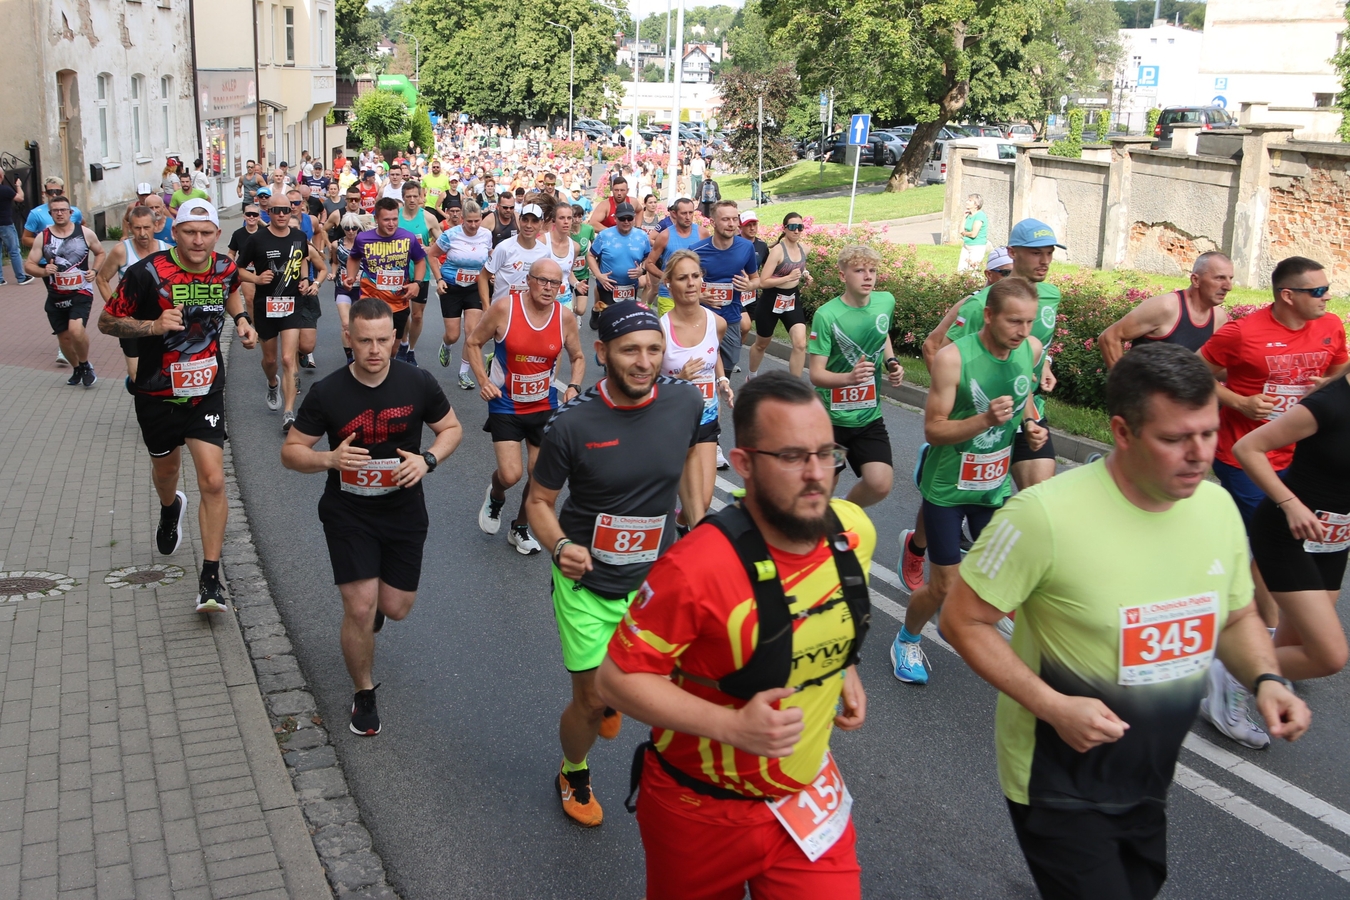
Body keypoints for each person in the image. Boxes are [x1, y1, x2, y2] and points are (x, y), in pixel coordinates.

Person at [944, 342, 1310, 900]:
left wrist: (1266, 679)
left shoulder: (1216, 509)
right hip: (1058, 778)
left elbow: (1236, 617)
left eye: (1208, 434)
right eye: (1175, 439)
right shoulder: (1043, 516)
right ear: (1121, 432)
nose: (1199, 455)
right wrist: (1053, 706)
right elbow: (962, 620)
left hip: (1149, 775)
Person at [596, 372, 872, 899]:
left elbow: (833, 605)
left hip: (806, 806)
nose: (817, 475)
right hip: (700, 810)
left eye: (825, 453)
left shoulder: (853, 531)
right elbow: (616, 680)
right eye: (791, 457)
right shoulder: (695, 568)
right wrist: (733, 727)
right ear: (743, 463)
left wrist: (842, 664)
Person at [525, 303, 705, 827]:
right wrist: (560, 546)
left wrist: (699, 529)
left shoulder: (685, 401)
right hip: (588, 583)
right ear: (602, 352)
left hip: (656, 585)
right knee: (590, 700)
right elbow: (538, 502)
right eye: (630, 350)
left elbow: (692, 459)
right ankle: (572, 772)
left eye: (654, 350)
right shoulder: (571, 423)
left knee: (684, 685)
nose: (644, 362)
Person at [282, 297, 463, 736]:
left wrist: (428, 460)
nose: (375, 350)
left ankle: (375, 612)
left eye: (383, 340)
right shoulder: (328, 392)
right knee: (360, 607)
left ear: (396, 338)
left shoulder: (418, 382)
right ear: (349, 338)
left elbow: (451, 429)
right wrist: (328, 459)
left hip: (403, 510)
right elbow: (291, 452)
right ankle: (363, 691)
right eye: (365, 341)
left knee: (395, 608)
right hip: (349, 511)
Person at [1196, 255, 1349, 748]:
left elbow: (1337, 366)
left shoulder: (1330, 330)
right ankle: (1234, 666)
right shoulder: (1244, 333)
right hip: (1255, 469)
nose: (1326, 298)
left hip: (1329, 527)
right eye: (1317, 290)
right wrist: (1240, 402)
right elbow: (1197, 371)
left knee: (1298, 636)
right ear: (1288, 294)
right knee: (1326, 651)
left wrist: (1324, 383)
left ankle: (1256, 667)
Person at [98, 199, 259, 612]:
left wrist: (242, 320)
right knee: (166, 471)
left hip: (206, 391)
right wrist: (152, 326)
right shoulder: (146, 273)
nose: (198, 240)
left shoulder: (223, 267)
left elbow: (231, 291)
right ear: (175, 232)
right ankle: (171, 509)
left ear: (217, 235)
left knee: (214, 480)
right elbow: (107, 322)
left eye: (206, 233)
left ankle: (210, 580)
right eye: (190, 232)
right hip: (156, 393)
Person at [891, 277, 1046, 685]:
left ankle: (965, 619)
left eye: (1029, 322)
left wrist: (1031, 426)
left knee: (1007, 570)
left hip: (992, 487)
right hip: (948, 489)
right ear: (989, 315)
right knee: (943, 585)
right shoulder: (953, 359)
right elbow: (934, 430)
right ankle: (907, 639)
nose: (1023, 331)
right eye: (1014, 321)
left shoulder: (1030, 349)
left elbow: (1023, 396)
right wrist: (985, 419)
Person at [899, 245, 1015, 591]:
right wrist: (951, 398)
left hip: (1010, 411)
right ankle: (918, 548)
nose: (1012, 279)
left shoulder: (1031, 305)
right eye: (1005, 273)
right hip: (971, 416)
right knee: (944, 491)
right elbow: (935, 348)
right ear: (990, 275)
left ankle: (1002, 586)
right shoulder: (975, 307)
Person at [929, 218, 1063, 492]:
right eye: (1036, 253)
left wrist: (1045, 363)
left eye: (1049, 253)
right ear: (1013, 252)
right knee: (952, 496)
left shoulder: (1051, 295)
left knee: (1039, 494)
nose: (1045, 261)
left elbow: (1039, 343)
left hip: (1026, 406)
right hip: (981, 411)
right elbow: (944, 356)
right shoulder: (980, 304)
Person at [1236, 370, 1350, 685]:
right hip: (1286, 534)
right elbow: (1248, 448)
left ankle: (1246, 680)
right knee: (1329, 655)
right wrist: (1291, 504)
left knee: (1293, 645)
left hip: (1333, 541)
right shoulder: (1328, 404)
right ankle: (1230, 669)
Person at [467, 259, 585, 554]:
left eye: (555, 283)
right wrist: (483, 381)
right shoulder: (505, 309)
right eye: (542, 280)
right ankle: (496, 495)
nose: (548, 288)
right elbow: (473, 342)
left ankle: (519, 527)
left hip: (544, 405)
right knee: (510, 475)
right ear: (529, 280)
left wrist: (573, 386)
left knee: (539, 476)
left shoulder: (564, 317)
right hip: (505, 403)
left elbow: (578, 357)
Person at [806, 243, 904, 507]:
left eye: (872, 270)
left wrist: (891, 361)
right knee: (824, 487)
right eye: (859, 270)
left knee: (880, 483)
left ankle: (844, 511)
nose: (868, 276)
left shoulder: (886, 301)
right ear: (843, 276)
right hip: (831, 423)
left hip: (868, 418)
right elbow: (816, 374)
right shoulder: (827, 315)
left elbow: (882, 333)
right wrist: (849, 379)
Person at [236, 192, 330, 433]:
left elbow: (307, 262)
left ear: (292, 211)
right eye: (276, 210)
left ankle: (289, 413)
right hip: (265, 307)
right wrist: (256, 278)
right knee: (270, 360)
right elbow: (237, 270)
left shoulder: (299, 237)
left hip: (292, 305)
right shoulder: (257, 239)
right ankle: (272, 382)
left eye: (285, 210)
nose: (281, 215)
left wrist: (307, 281)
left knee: (288, 359)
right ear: (268, 212)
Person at [659, 250, 733, 525]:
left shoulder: (717, 323)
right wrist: (680, 380)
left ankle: (680, 523)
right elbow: (646, 384)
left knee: (701, 503)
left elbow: (714, 354)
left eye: (695, 276)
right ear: (669, 283)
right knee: (693, 510)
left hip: (706, 421)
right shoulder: (660, 331)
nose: (691, 283)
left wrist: (722, 380)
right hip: (673, 425)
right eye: (682, 278)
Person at [692, 200, 761, 446]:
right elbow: (677, 283)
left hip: (731, 320)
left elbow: (756, 279)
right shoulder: (696, 250)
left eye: (734, 219)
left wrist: (749, 285)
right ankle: (711, 437)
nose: (732, 224)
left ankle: (709, 432)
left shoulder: (745, 248)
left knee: (723, 379)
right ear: (713, 222)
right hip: (702, 321)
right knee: (706, 380)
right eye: (726, 219)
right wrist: (700, 296)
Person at [1098, 252, 1234, 367]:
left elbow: (1214, 368)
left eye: (1230, 278)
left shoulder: (1219, 318)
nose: (1228, 287)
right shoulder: (1165, 307)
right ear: (1196, 280)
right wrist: (1124, 385)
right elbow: (1109, 337)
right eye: (1220, 278)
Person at [25, 195, 105, 386]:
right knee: (64, 338)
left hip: (81, 291)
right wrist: (44, 271)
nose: (59, 213)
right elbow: (29, 265)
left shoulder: (85, 233)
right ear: (50, 213)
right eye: (55, 210)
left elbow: (100, 252)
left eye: (63, 210)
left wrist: (94, 271)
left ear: (70, 212)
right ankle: (77, 369)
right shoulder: (43, 236)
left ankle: (85, 365)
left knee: (76, 331)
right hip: (56, 294)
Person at [96, 205, 170, 380]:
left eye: (146, 227)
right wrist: (117, 310)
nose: (142, 233)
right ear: (130, 227)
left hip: (159, 318)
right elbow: (102, 279)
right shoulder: (121, 251)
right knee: (136, 373)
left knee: (161, 368)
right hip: (131, 322)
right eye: (137, 228)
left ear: (156, 226)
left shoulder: (166, 250)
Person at [344, 197, 428, 349]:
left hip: (398, 303)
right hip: (370, 300)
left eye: (395, 219)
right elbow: (354, 257)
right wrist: (351, 276)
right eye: (386, 220)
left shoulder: (408, 237)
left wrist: (417, 283)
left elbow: (420, 261)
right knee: (371, 346)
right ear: (376, 219)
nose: (391, 224)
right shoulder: (363, 238)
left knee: (392, 350)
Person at [431, 199, 493, 387]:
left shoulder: (486, 234)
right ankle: (447, 344)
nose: (473, 225)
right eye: (469, 221)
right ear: (462, 219)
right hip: (452, 287)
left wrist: (492, 274)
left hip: (475, 287)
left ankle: (463, 373)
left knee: (472, 332)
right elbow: (432, 255)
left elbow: (490, 255)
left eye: (477, 221)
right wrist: (439, 279)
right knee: (453, 335)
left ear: (481, 218)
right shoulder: (450, 235)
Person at [748, 211, 813, 379]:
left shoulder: (805, 249)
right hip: (771, 299)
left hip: (791, 299)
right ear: (785, 228)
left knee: (800, 344)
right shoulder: (777, 251)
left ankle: (794, 385)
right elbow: (763, 282)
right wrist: (788, 278)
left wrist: (806, 274)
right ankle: (752, 376)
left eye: (800, 227)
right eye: (792, 227)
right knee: (761, 344)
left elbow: (799, 266)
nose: (796, 231)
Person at [396, 181, 442, 365]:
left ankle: (411, 350)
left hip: (420, 273)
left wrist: (429, 248)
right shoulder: (395, 216)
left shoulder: (428, 218)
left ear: (421, 197)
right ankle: (403, 343)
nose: (412, 200)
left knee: (417, 315)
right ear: (403, 198)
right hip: (398, 272)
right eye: (408, 196)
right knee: (401, 312)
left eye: (415, 196)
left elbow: (443, 243)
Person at [641, 197, 705, 316]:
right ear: (674, 214)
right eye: (684, 213)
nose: (688, 217)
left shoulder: (702, 233)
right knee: (671, 328)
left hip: (693, 295)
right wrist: (666, 277)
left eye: (690, 213)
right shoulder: (665, 236)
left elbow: (709, 260)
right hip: (668, 295)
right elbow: (649, 263)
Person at [587, 201, 651, 316]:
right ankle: (596, 312)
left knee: (627, 319)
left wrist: (642, 270)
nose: (626, 222)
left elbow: (648, 258)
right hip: (608, 285)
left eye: (629, 218)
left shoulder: (642, 236)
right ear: (615, 218)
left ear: (634, 218)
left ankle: (597, 310)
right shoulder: (604, 235)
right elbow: (590, 255)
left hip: (631, 287)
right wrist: (598, 275)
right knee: (610, 319)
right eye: (622, 218)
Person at [482, 201, 548, 304]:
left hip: (529, 310)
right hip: (503, 311)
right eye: (525, 220)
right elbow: (483, 277)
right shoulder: (504, 248)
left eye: (534, 221)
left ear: (541, 224)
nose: (529, 225)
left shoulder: (545, 252)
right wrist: (486, 308)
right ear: (519, 220)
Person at [329, 213, 363, 364]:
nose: (351, 231)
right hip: (343, 287)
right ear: (343, 228)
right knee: (346, 324)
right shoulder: (336, 245)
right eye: (347, 228)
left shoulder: (365, 243)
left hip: (362, 288)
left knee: (361, 323)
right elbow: (335, 262)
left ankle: (361, 351)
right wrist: (332, 273)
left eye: (354, 228)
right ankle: (350, 357)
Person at [0, 167, 32, 285]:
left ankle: (0, 279)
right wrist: (18, 186)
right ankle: (21, 277)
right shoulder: (5, 190)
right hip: (6, 223)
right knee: (14, 251)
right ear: (1, 176)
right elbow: (20, 198)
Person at [957, 194, 989, 272]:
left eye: (970, 201)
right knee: (961, 270)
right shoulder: (968, 215)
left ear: (976, 205)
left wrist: (964, 233)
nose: (967, 202)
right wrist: (964, 217)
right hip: (966, 245)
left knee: (973, 271)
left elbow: (974, 234)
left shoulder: (980, 216)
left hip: (977, 246)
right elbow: (960, 230)